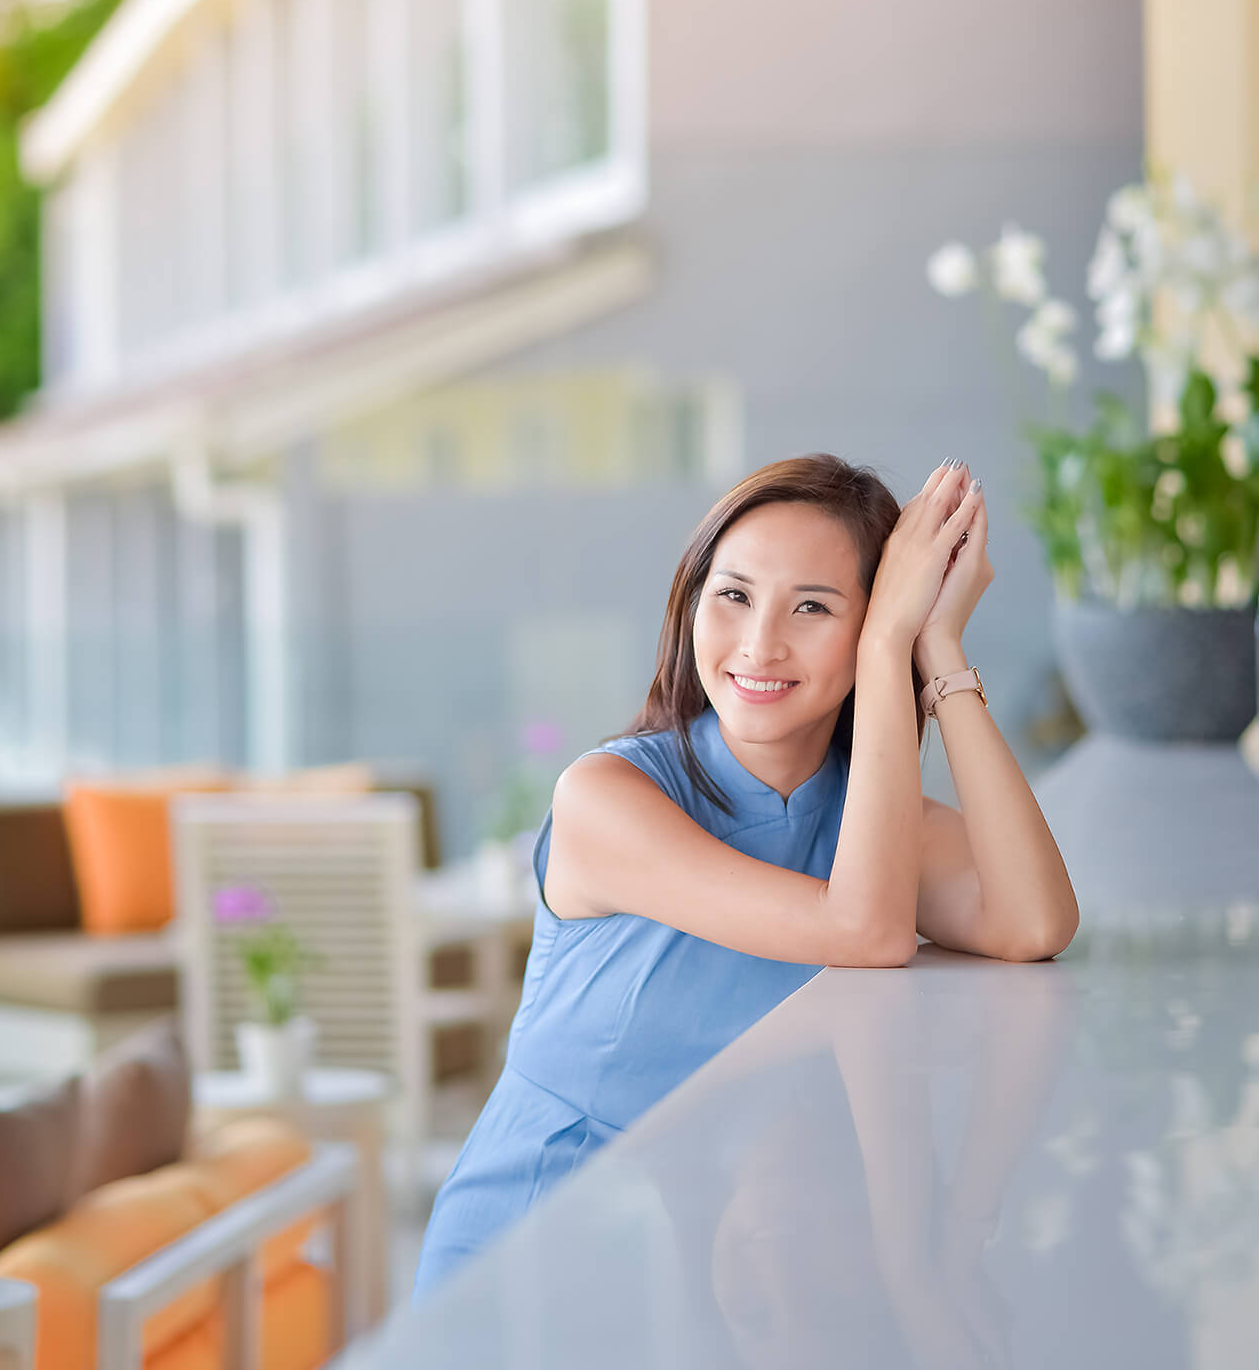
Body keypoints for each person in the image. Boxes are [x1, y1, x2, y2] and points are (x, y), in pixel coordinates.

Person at [411, 453, 1079, 1300]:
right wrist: (880, 646)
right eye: (732, 595)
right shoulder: (606, 796)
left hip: (721, 1247)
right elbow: (864, 934)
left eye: (813, 607)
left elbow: (1033, 924)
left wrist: (930, 643)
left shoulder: (866, 822)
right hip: (539, 1246)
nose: (760, 642)